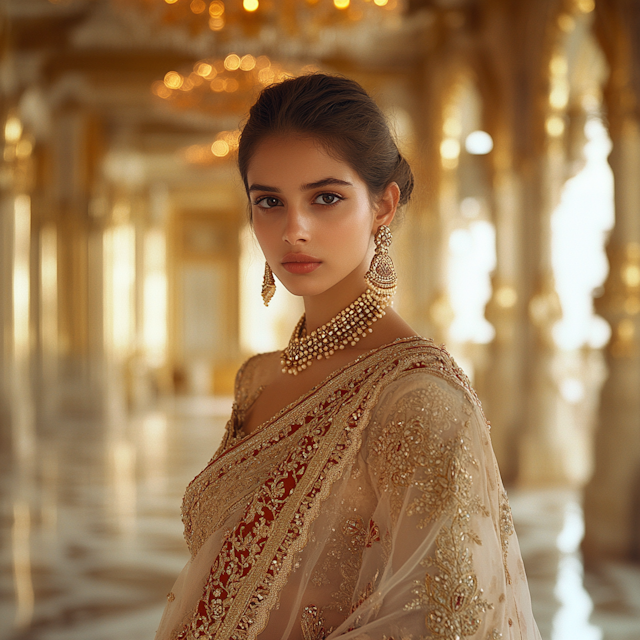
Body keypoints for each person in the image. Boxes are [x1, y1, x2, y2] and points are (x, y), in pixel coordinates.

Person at [154, 73, 541, 640]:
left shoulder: (418, 399)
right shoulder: (258, 378)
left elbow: (449, 622)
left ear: (383, 205)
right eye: (269, 202)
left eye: (326, 198)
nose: (294, 229)